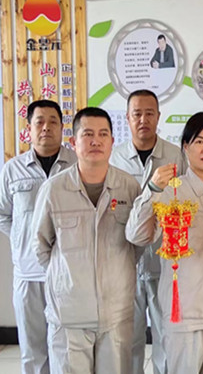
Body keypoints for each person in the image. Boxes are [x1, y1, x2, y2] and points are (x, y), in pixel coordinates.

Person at [126, 112, 203, 373]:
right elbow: (136, 235)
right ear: (185, 147)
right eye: (199, 141)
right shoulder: (170, 191)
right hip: (184, 311)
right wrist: (152, 190)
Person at [32, 107, 141, 373]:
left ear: (112, 142)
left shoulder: (128, 187)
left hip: (115, 313)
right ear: (73, 141)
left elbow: (136, 246)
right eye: (88, 134)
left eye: (103, 134)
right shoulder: (54, 189)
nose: (96, 141)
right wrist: (66, 280)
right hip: (69, 314)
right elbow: (41, 246)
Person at [110, 89, 186, 374]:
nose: (143, 119)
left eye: (149, 113)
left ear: (158, 116)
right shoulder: (115, 159)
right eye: (137, 114)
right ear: (128, 118)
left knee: (166, 337)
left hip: (163, 262)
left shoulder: (175, 156)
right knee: (128, 340)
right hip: (124, 262)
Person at [0, 100, 77, 374]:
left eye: (53, 121)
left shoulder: (77, 165)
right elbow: (3, 214)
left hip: (68, 273)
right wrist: (24, 238)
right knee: (32, 349)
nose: (46, 127)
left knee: (67, 348)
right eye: (39, 122)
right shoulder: (13, 170)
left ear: (62, 127)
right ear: (29, 128)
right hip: (28, 273)